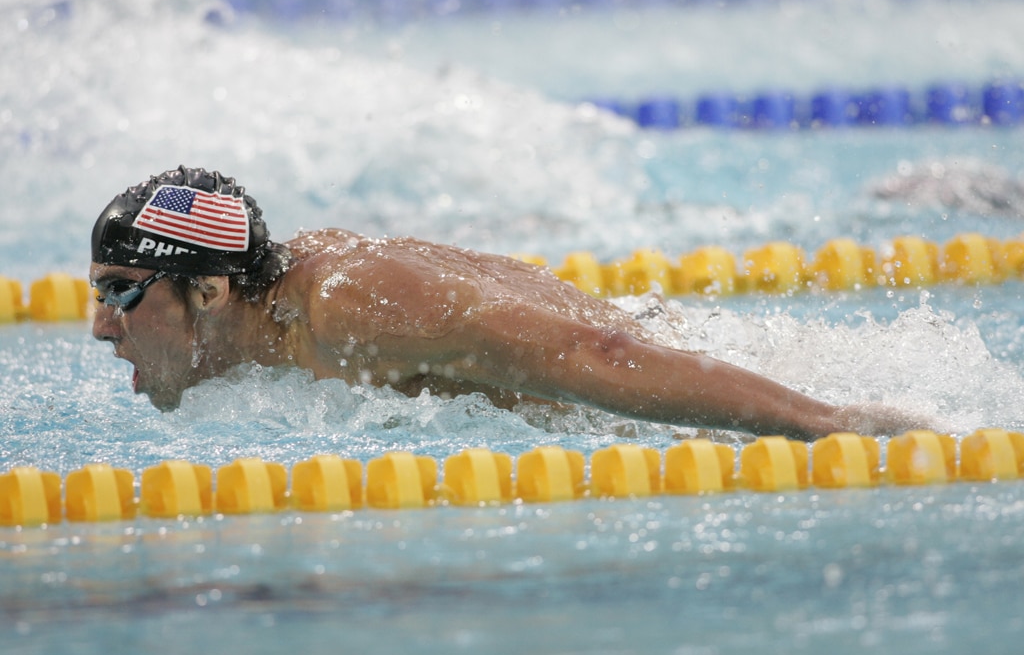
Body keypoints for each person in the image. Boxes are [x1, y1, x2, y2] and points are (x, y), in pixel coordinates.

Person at [91, 165, 925, 440]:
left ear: (209, 288)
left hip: (685, 382)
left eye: (121, 294)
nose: (101, 328)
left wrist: (823, 424)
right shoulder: (269, 315)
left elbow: (600, 359)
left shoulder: (347, 306)